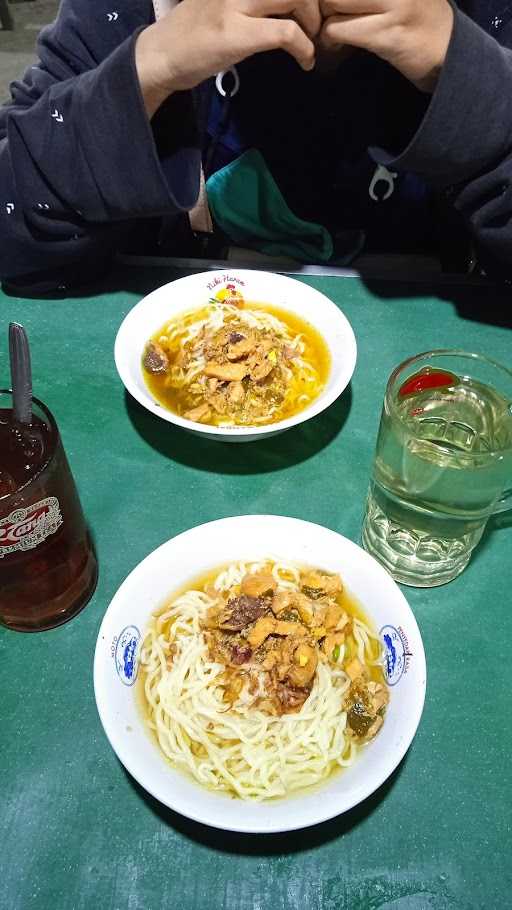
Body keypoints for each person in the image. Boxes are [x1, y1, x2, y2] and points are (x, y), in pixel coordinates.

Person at [1, 0, 512, 293]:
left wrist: (463, 71)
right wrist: (149, 68)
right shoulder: (132, 10)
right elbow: (14, 232)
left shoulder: (486, 14)